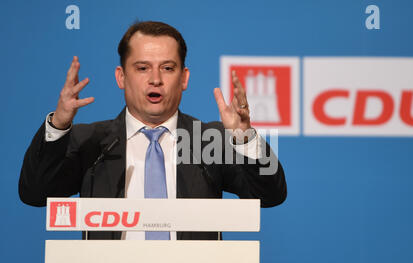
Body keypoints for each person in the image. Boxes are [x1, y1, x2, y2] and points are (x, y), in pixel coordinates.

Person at [19, 21, 287, 240]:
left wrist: (244, 139)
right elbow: (34, 193)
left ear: (184, 78)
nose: (155, 79)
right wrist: (58, 126)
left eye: (168, 68)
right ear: (121, 77)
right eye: (142, 68)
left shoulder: (209, 140)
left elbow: (270, 196)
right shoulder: (89, 141)